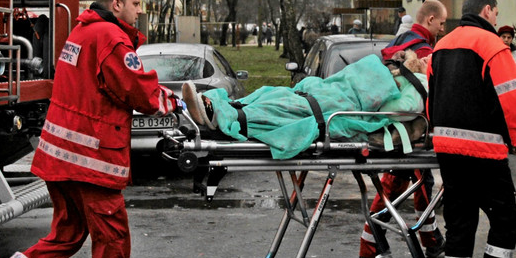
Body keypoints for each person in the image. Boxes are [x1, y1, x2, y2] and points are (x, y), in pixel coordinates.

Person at [0, 0, 179, 258]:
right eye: (134, 4)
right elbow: (139, 92)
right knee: (112, 240)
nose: (139, 10)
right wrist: (174, 103)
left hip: (61, 160)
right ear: (116, 4)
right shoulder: (110, 38)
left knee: (64, 237)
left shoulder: (81, 35)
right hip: (91, 164)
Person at [428, 0, 516, 258]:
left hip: (447, 149)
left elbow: (431, 97)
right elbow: (512, 98)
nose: (497, 21)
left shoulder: (441, 46)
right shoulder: (493, 47)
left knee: (460, 224)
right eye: (496, 14)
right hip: (484, 152)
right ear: (487, 10)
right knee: (505, 221)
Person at [181, 50, 429, 159]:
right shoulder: (402, 70)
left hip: (335, 107)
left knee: (282, 109)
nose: (428, 57)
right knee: (274, 93)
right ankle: (221, 107)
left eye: (431, 59)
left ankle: (224, 115)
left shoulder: (417, 84)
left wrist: (392, 79)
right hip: (328, 93)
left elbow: (401, 109)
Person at [359, 0, 449, 258]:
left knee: (405, 184)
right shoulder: (421, 49)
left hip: (398, 131)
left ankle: (428, 240)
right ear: (431, 19)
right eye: (442, 23)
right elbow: (425, 94)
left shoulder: (400, 42)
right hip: (412, 132)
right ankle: (373, 248)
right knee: (407, 185)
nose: (443, 29)